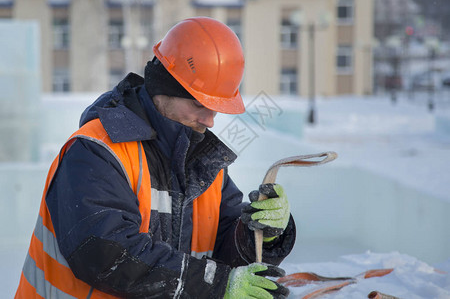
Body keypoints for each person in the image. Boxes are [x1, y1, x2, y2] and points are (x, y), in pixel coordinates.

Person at [15, 17, 296, 298]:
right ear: (165, 88)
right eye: (200, 104)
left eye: (216, 107)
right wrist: (214, 285)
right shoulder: (96, 152)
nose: (210, 120)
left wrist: (261, 233)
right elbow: (106, 255)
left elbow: (224, 246)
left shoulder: (202, 162)